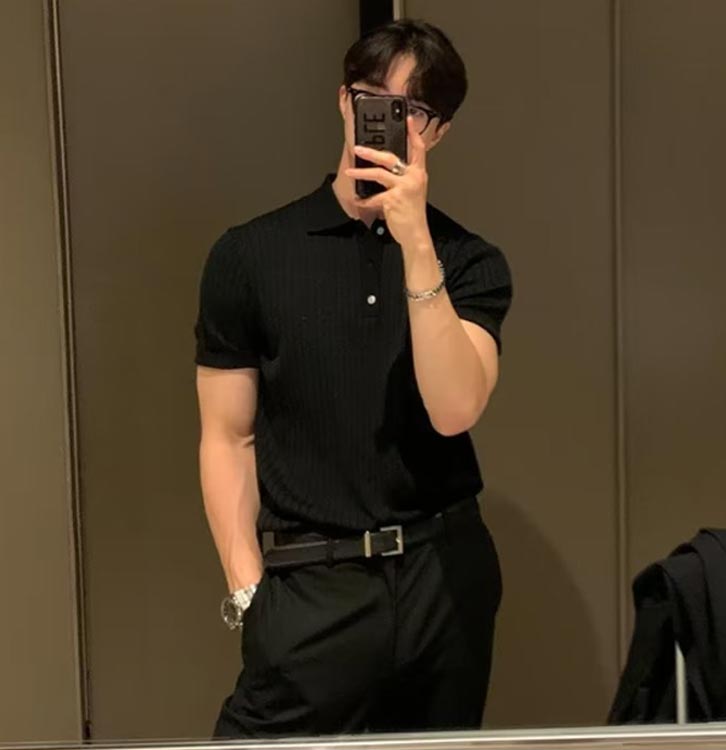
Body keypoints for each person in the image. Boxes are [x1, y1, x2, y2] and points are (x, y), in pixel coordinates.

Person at [194, 18, 513, 739]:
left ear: (438, 132)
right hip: (310, 585)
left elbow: (455, 408)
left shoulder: (470, 261)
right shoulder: (249, 256)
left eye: (413, 109)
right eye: (374, 98)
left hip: (442, 578)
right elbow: (226, 436)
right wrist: (249, 593)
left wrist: (415, 241)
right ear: (345, 101)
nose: (388, 120)